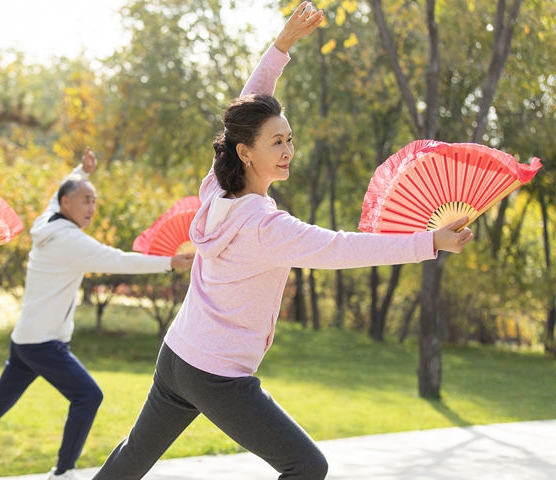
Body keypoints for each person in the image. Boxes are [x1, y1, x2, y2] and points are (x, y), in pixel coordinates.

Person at [90, 3, 474, 480]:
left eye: (289, 139)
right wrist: (428, 242)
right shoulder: (265, 227)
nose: (289, 150)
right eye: (277, 142)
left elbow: (245, 109)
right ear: (246, 152)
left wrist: (282, 46)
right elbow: (340, 248)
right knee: (306, 466)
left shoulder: (216, 191)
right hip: (215, 374)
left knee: (130, 462)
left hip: (178, 355)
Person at [0, 147, 194, 480]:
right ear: (67, 203)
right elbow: (117, 260)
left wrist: (82, 171)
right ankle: (63, 473)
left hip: (26, 337)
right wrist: (169, 262)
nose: (92, 208)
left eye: (94, 201)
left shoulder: (47, 221)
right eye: (86, 201)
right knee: (88, 396)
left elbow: (58, 194)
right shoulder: (70, 241)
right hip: (43, 343)